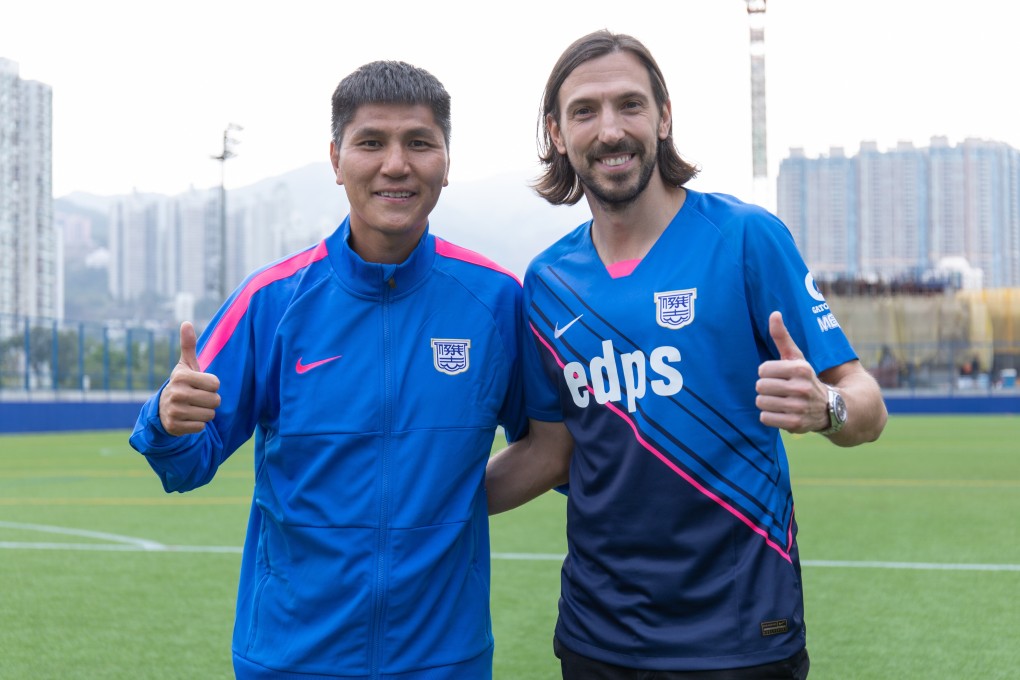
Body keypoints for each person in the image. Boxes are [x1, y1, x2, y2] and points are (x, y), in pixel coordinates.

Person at [486, 30, 888, 679]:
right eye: (585, 111)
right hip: (599, 635)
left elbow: (867, 405)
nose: (610, 128)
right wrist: (427, 502)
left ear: (664, 118)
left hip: (745, 631)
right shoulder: (548, 284)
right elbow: (549, 452)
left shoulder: (745, 238)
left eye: (630, 105)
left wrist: (827, 407)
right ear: (558, 134)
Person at [129, 60, 527, 680]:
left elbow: (549, 446)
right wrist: (167, 418)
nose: (396, 163)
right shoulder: (271, 302)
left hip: (443, 660)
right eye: (372, 142)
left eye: (419, 142)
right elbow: (185, 464)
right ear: (337, 160)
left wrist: (448, 503)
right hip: (291, 657)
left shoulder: (497, 300)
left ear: (447, 163)